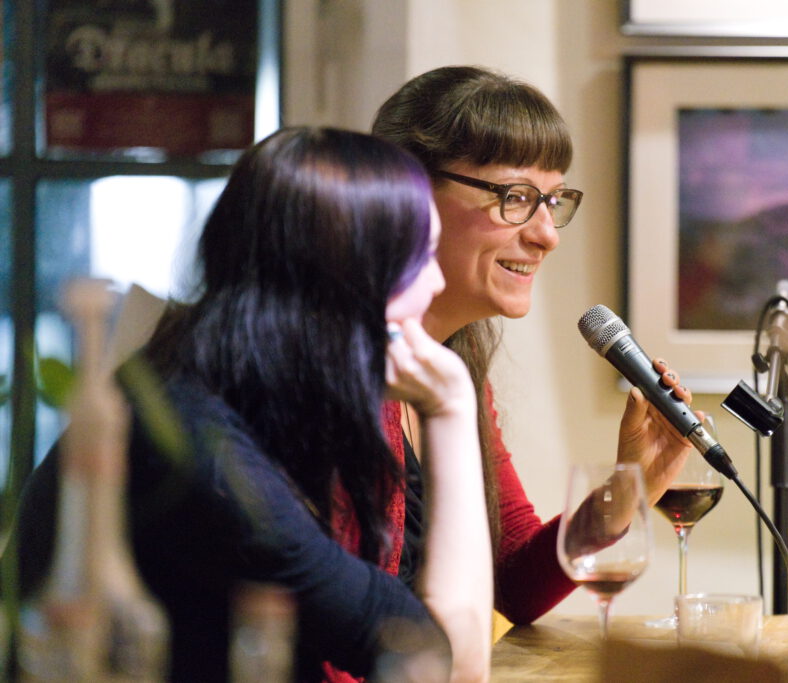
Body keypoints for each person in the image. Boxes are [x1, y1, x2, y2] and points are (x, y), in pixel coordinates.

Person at [15, 127, 493, 682]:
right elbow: (452, 664)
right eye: (421, 257)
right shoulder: (207, 456)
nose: (436, 283)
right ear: (346, 280)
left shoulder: (214, 383)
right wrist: (452, 408)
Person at [371, 65, 698, 623]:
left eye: (554, 201)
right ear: (410, 193)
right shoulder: (336, 368)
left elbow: (512, 585)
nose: (546, 234)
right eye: (516, 197)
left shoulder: (458, 362)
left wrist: (628, 490)